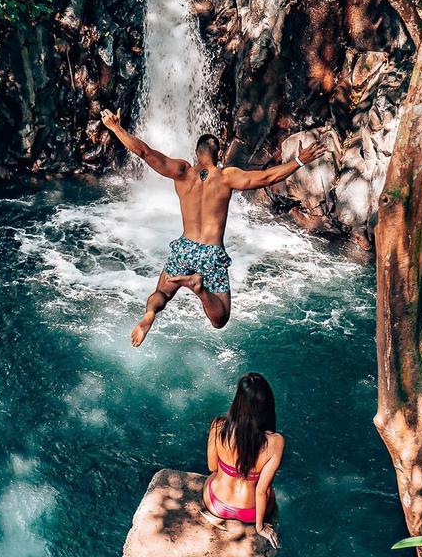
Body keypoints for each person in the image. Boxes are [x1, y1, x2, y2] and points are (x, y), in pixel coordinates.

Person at [100, 109, 325, 347]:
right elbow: (267, 178)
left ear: (197, 153)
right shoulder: (226, 176)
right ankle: (199, 289)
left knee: (162, 293)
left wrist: (116, 128)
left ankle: (149, 315)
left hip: (184, 248)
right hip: (211, 253)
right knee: (220, 318)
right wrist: (299, 160)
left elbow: (144, 152)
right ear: (219, 154)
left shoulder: (181, 172)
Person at [203, 373, 283, 548]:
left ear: (238, 400)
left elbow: (211, 467)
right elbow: (262, 491)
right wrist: (259, 527)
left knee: (213, 477)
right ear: (267, 404)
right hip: (251, 512)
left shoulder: (218, 425)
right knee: (269, 491)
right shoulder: (276, 442)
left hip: (216, 504)